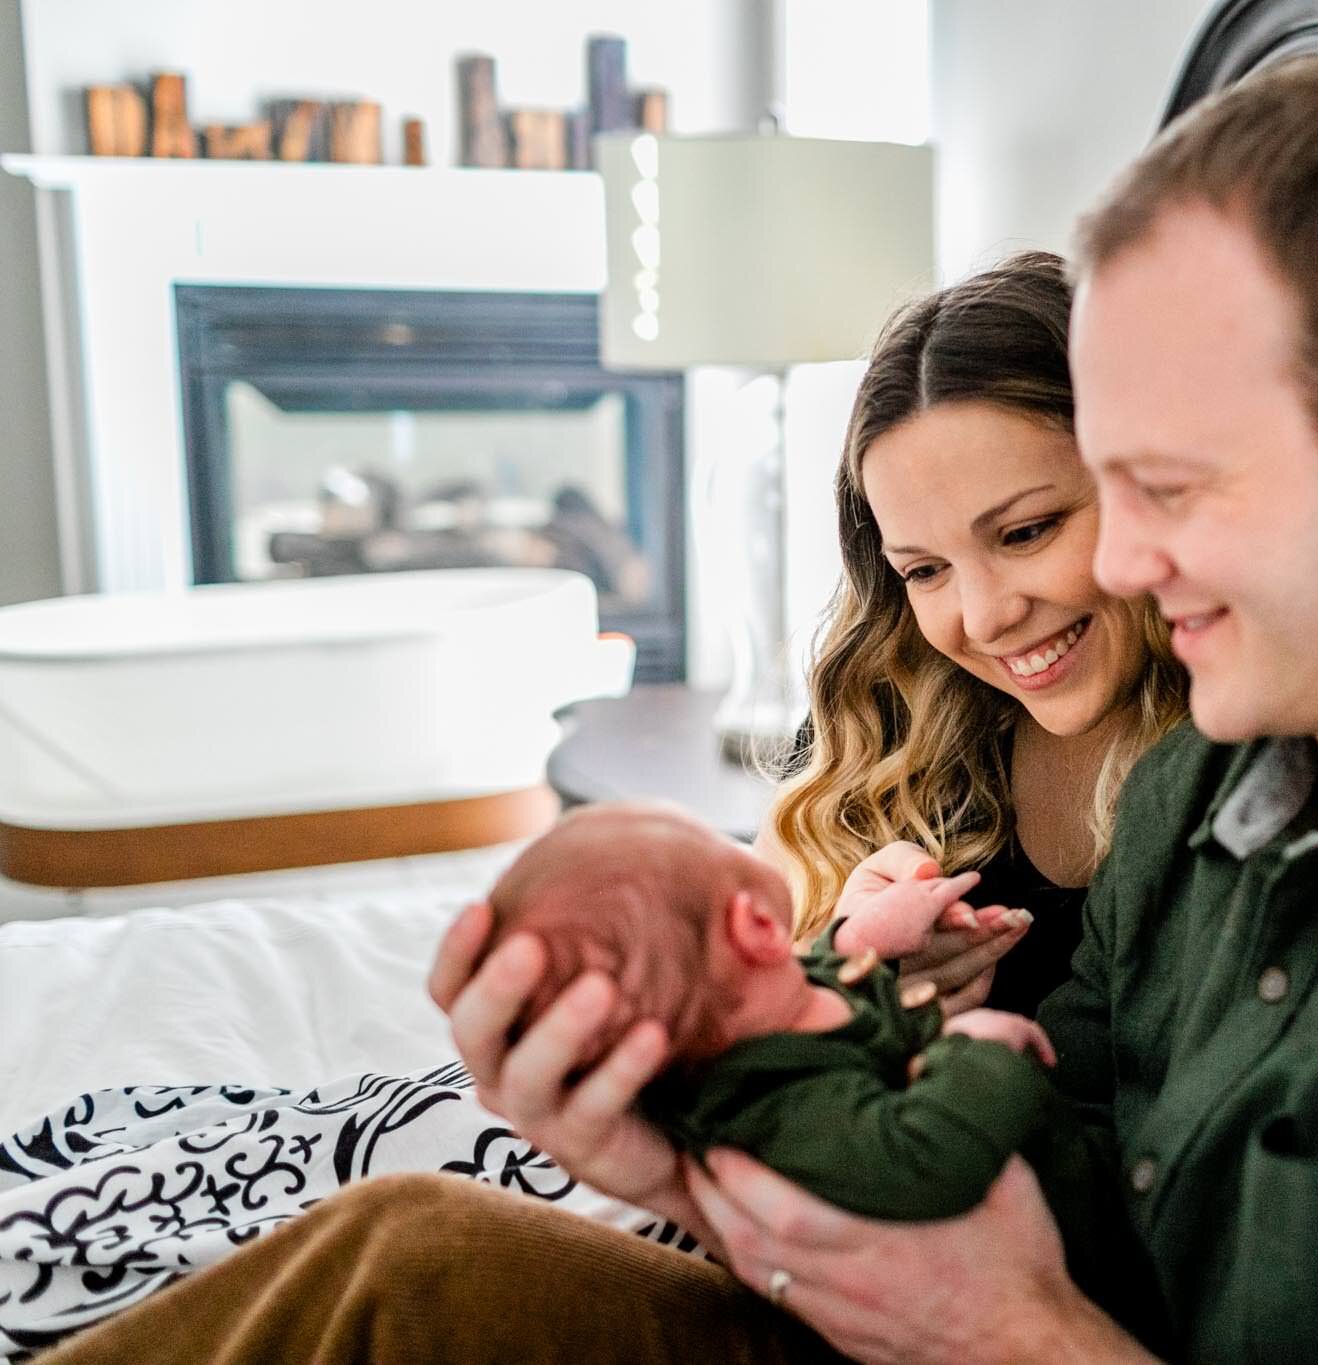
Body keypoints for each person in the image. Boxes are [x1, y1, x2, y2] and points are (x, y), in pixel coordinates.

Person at [36, 43, 1318, 1364]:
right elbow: (1063, 1147)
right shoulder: (1216, 791)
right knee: (415, 1261)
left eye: (1154, 490)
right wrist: (720, 1148)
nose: (1112, 572)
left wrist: (1015, 1343)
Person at [29, 252, 1185, 1361]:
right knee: (238, 1200)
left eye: (1027, 531)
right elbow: (797, 1021)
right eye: (923, 569)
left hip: (871, 1265)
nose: (979, 616)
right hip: (755, 1190)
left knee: (392, 1248)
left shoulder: (1222, 799)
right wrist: (862, 967)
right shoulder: (938, 728)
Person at [479, 801, 1070, 1224]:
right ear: (759, 926)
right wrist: (977, 1049)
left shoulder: (757, 1037)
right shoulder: (778, 1109)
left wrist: (854, 945)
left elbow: (817, 1014)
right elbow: (921, 1161)